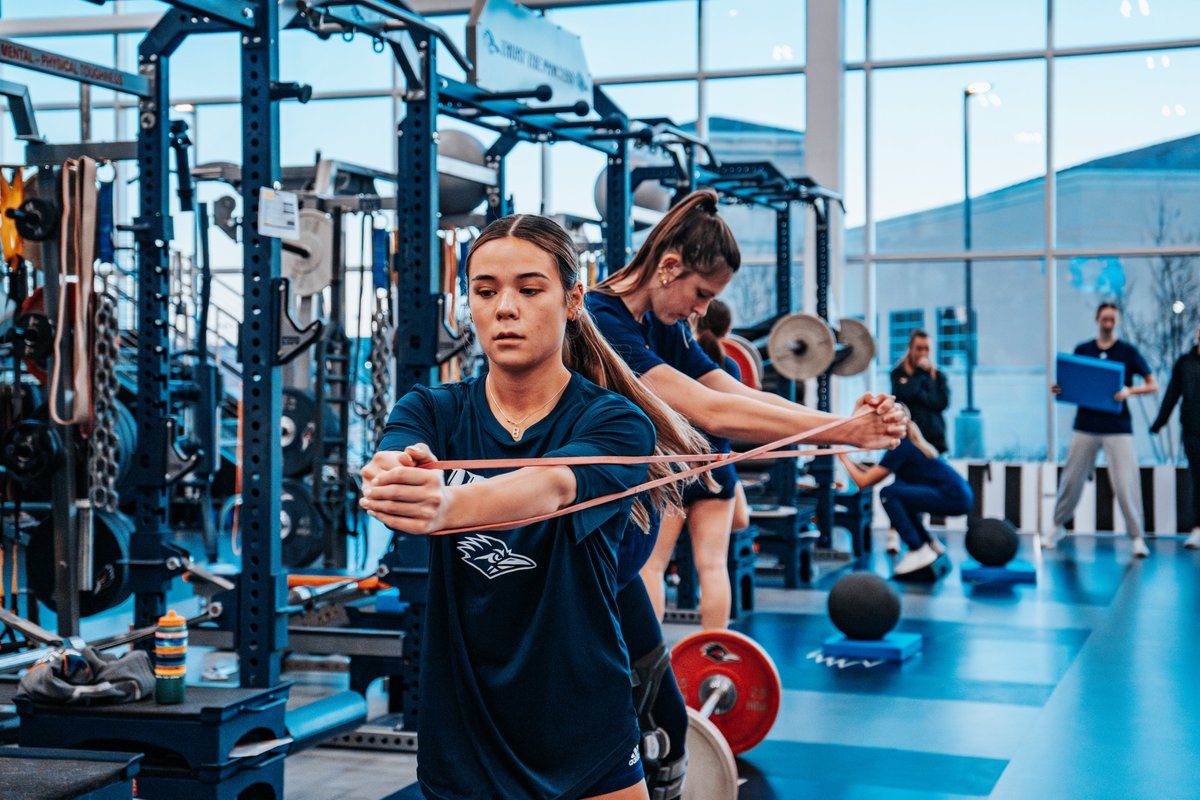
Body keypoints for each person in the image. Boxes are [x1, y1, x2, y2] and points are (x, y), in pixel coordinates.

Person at [360, 215, 713, 800]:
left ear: (573, 300)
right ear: (468, 303)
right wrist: (391, 478)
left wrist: (446, 505)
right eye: (485, 291)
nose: (505, 308)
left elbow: (551, 485)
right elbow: (393, 461)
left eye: (529, 289)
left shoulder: (616, 421)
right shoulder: (432, 410)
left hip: (585, 723)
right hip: (465, 729)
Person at [639, 299, 749, 629]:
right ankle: (715, 653)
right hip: (718, 470)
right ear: (726, 331)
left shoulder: (663, 366)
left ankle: (651, 657)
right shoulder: (728, 369)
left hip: (674, 472)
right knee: (714, 566)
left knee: (653, 565)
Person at [1043, 302, 1157, 557]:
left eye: (1112, 320)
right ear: (1097, 319)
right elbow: (1071, 383)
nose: (1108, 323)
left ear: (1116, 322)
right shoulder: (1083, 350)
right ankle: (1056, 527)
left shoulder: (1128, 352)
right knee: (1072, 478)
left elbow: (1153, 385)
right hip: (1085, 426)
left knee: (1126, 483)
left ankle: (1137, 537)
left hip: (1118, 428)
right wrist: (1060, 389)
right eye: (1104, 319)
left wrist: (1130, 391)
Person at [837, 410, 973, 576]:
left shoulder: (900, 448)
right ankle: (929, 544)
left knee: (889, 493)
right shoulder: (910, 445)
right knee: (903, 499)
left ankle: (917, 548)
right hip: (961, 495)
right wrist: (850, 461)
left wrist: (841, 456)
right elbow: (873, 473)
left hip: (953, 497)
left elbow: (864, 481)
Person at [1150, 322, 1200, 549]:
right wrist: (1159, 423)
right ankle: (1198, 529)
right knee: (1198, 479)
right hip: (1193, 431)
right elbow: (1172, 394)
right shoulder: (1185, 363)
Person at [891, 329, 950, 454]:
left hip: (935, 441)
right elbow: (902, 399)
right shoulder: (898, 373)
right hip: (908, 440)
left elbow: (941, 403)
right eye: (919, 348)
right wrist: (920, 373)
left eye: (926, 349)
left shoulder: (939, 376)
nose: (923, 353)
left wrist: (921, 382)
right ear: (910, 348)